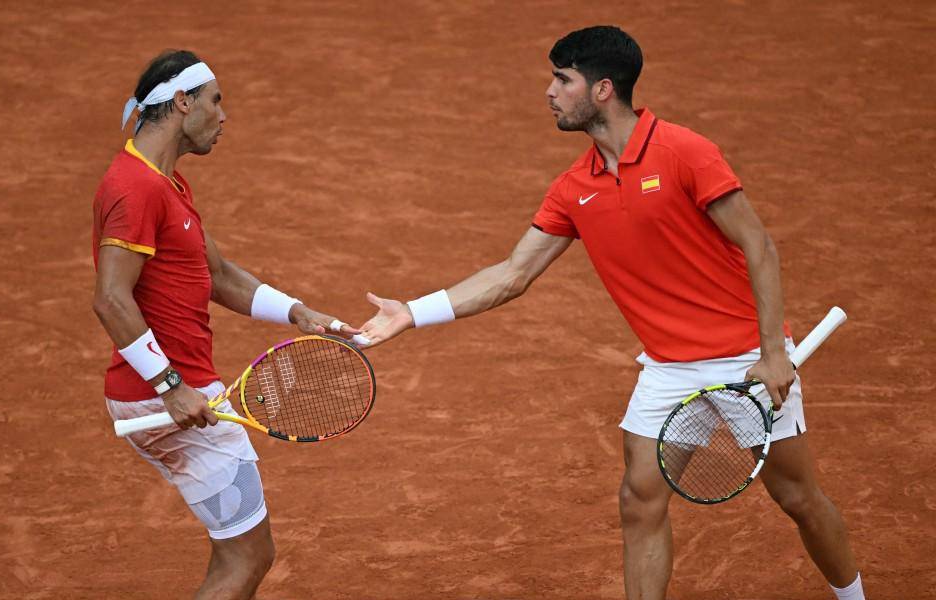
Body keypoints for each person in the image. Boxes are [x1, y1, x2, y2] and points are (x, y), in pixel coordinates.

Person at [356, 26, 866, 600]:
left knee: (797, 497)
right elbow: (511, 274)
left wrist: (773, 352)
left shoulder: (684, 152)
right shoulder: (575, 187)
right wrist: (412, 312)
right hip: (669, 369)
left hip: (745, 357)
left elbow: (759, 246)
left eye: (562, 79)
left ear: (602, 89)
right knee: (638, 499)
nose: (549, 91)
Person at [92, 50, 360, 600]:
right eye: (216, 100)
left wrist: (296, 310)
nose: (224, 114)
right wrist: (170, 388)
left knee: (240, 553)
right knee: (247, 556)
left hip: (174, 393)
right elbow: (111, 300)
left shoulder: (166, 183)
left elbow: (216, 274)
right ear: (183, 101)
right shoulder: (136, 188)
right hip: (174, 399)